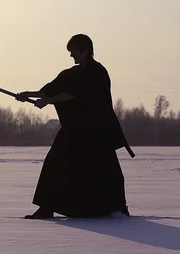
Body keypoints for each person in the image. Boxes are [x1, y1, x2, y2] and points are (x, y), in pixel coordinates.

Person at [16, 34, 133, 219]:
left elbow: (74, 94)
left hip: (96, 130)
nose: (71, 56)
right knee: (55, 163)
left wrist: (48, 101)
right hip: (75, 129)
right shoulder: (71, 73)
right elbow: (52, 89)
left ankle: (117, 207)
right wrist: (27, 94)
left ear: (85, 50)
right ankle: (47, 207)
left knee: (106, 169)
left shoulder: (97, 73)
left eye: (73, 52)